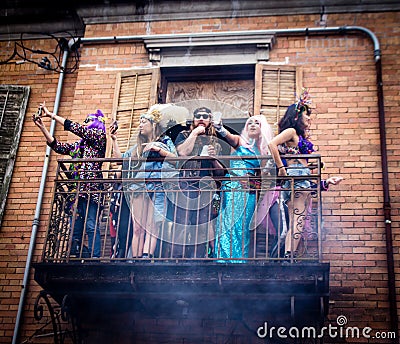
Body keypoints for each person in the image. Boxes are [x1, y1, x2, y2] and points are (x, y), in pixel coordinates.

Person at [268, 89, 343, 260]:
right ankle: (288, 257)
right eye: (306, 115)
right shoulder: (291, 132)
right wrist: (281, 168)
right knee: (298, 222)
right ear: (296, 117)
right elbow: (272, 144)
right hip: (297, 179)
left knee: (297, 221)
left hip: (301, 179)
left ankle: (288, 255)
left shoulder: (297, 136)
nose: (309, 118)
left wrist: (327, 181)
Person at [33, 102, 107, 258]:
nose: (84, 124)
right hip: (78, 191)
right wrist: (42, 127)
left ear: (95, 123)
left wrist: (52, 115)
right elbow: (58, 146)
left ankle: (95, 256)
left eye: (87, 121)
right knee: (77, 225)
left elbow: (76, 128)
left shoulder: (99, 137)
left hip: (92, 189)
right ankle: (76, 254)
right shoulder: (79, 146)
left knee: (91, 224)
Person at [110, 107, 178, 259]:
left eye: (143, 122)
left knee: (152, 226)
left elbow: (175, 160)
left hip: (158, 187)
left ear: (153, 125)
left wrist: (159, 150)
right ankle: (135, 258)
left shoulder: (165, 141)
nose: (140, 125)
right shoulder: (139, 147)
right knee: (138, 228)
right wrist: (114, 140)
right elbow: (120, 159)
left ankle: (147, 257)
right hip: (140, 187)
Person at [171, 106, 237, 258]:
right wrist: (194, 133)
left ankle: (198, 259)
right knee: (182, 223)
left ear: (210, 120)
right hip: (186, 186)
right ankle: (176, 259)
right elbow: (182, 152)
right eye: (197, 115)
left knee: (202, 225)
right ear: (193, 119)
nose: (201, 118)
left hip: (207, 189)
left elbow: (220, 173)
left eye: (205, 116)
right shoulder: (184, 135)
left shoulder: (216, 143)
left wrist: (213, 159)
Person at [214, 115, 274, 262]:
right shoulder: (241, 142)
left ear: (262, 128)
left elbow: (261, 175)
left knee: (242, 226)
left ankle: (239, 260)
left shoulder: (264, 151)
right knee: (227, 222)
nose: (252, 125)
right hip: (232, 188)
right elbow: (228, 137)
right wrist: (220, 128)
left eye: (257, 123)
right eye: (249, 123)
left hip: (249, 192)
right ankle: (223, 259)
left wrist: (253, 182)